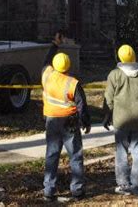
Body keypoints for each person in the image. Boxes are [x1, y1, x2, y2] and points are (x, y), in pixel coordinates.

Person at [42, 32, 91, 201]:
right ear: (69, 66)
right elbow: (81, 105)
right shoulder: (73, 83)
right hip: (70, 123)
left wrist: (55, 44)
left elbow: (46, 61)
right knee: (75, 156)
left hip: (51, 121)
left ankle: (49, 190)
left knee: (51, 155)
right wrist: (86, 122)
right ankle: (77, 190)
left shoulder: (46, 75)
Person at [103, 45, 138, 197]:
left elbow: (109, 99)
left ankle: (123, 184)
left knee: (121, 152)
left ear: (120, 57)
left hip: (121, 120)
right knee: (137, 152)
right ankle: (137, 186)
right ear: (134, 56)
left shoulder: (114, 75)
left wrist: (107, 115)